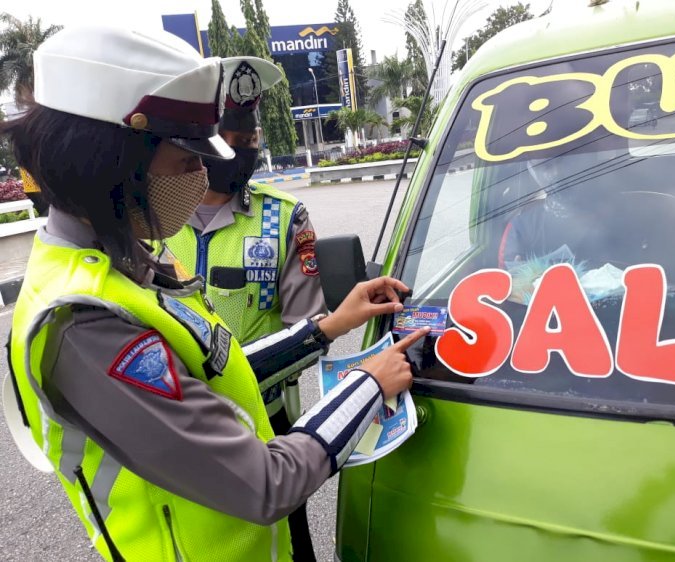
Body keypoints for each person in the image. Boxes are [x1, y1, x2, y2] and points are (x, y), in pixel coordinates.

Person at [2, 25, 428, 562]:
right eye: (186, 163)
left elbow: (210, 366)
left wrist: (328, 327)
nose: (203, 177)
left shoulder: (121, 257)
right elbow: (265, 482)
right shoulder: (85, 321)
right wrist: (366, 385)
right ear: (114, 163)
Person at [163, 56, 326, 560]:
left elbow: (311, 330)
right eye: (231, 142)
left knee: (285, 546)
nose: (242, 153)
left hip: (268, 423)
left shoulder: (285, 219)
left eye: (250, 142)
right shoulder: (154, 222)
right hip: (178, 421)